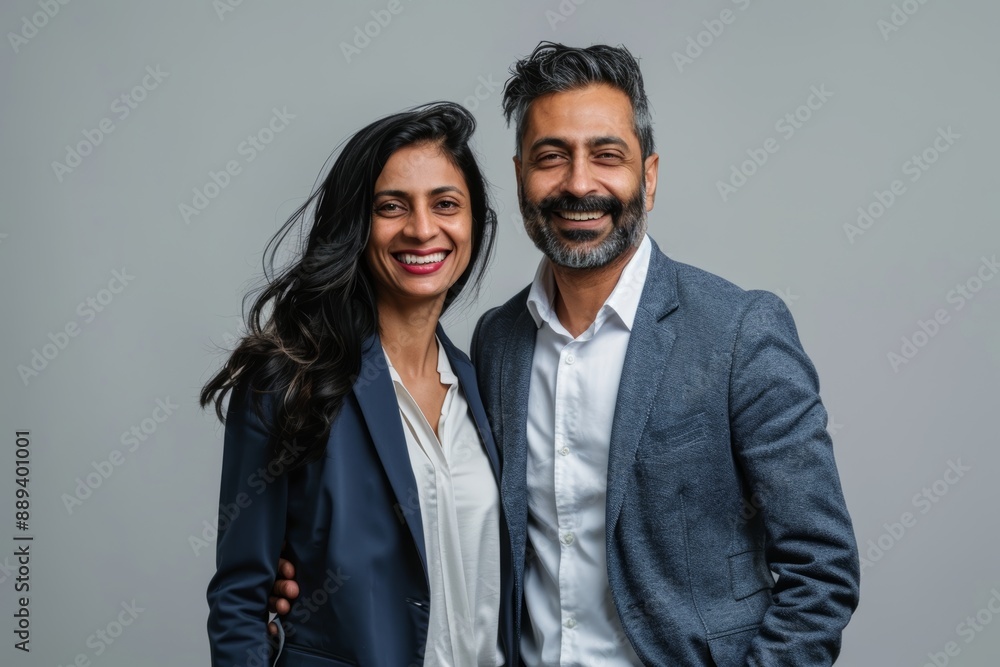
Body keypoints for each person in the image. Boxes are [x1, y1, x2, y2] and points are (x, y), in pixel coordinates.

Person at [273, 42, 861, 665]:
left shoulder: (738, 331)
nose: (579, 184)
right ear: (521, 175)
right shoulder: (496, 344)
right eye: (551, 158)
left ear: (650, 176)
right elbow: (449, 522)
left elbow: (822, 571)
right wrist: (308, 585)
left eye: (607, 156)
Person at [202, 102, 514, 667]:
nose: (423, 229)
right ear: (356, 225)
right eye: (391, 207)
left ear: (474, 222)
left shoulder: (484, 384)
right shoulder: (289, 382)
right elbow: (240, 603)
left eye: (446, 204)